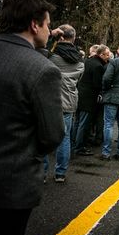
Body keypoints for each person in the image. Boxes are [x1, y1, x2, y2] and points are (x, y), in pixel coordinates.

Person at [0, 0, 65, 235]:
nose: (50, 31)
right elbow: (52, 135)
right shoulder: (42, 69)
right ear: (34, 25)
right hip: (8, 187)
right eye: (48, 24)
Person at [44, 24, 85, 183]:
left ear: (60, 37)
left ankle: (42, 172)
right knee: (64, 137)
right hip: (68, 102)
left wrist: (50, 36)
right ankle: (60, 173)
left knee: (43, 136)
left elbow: (36, 52)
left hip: (48, 100)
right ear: (73, 38)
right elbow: (78, 81)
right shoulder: (80, 62)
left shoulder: (50, 57)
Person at [74, 44, 110, 156]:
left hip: (80, 95)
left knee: (77, 122)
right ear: (101, 54)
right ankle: (79, 147)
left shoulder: (87, 61)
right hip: (89, 98)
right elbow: (97, 84)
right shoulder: (98, 66)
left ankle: (74, 142)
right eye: (107, 54)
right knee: (83, 124)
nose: (108, 57)